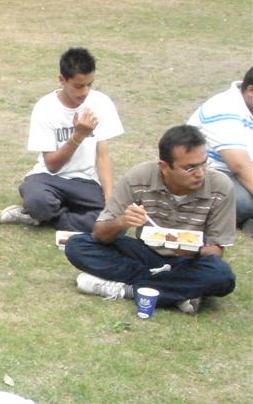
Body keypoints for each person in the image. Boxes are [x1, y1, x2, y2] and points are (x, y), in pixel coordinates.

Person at [65, 125, 236, 315]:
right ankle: (179, 290)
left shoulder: (221, 187)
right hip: (146, 253)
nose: (200, 173)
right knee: (77, 245)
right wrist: (122, 222)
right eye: (190, 168)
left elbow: (215, 251)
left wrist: (192, 249)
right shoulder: (139, 177)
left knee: (222, 276)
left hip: (190, 261)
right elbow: (99, 234)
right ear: (164, 166)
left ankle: (126, 290)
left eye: (203, 164)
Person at [0, 47, 123, 232]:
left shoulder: (101, 103)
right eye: (79, 86)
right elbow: (52, 165)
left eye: (90, 84)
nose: (85, 92)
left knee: (115, 219)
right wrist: (78, 136)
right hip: (48, 179)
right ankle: (46, 212)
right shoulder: (46, 107)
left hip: (84, 181)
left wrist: (109, 198)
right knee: (38, 201)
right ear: (62, 80)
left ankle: (41, 217)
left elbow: (103, 157)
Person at [187, 67, 253, 232]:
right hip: (210, 174)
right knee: (243, 203)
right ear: (251, 91)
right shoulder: (224, 108)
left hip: (242, 170)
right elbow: (240, 167)